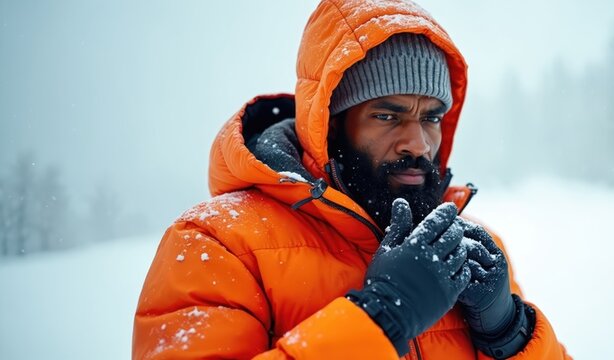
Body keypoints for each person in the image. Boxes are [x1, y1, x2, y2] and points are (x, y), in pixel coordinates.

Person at [133, 0, 570, 358]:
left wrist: (511, 333)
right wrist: (380, 319)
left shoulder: (466, 247)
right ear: (330, 125)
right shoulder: (218, 244)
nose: (417, 144)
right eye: (387, 115)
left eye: (431, 117)